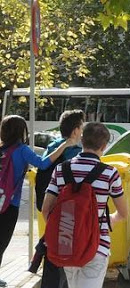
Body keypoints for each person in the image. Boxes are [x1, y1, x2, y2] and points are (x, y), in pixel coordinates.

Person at [41, 122, 128, 288]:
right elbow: (123, 214)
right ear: (104, 145)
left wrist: (67, 230)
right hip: (97, 246)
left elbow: (46, 210)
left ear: (81, 140)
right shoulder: (110, 173)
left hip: (67, 245)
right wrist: (107, 220)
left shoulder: (61, 169)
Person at [0, 115, 76, 288]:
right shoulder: (21, 149)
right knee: (2, 240)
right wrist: (64, 145)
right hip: (10, 204)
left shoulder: (2, 150)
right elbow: (42, 164)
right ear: (21, 131)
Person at [38, 110, 85, 288]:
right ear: (75, 130)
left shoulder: (53, 147)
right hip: (69, 213)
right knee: (68, 261)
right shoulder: (76, 152)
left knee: (52, 256)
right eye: (81, 127)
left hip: (51, 210)